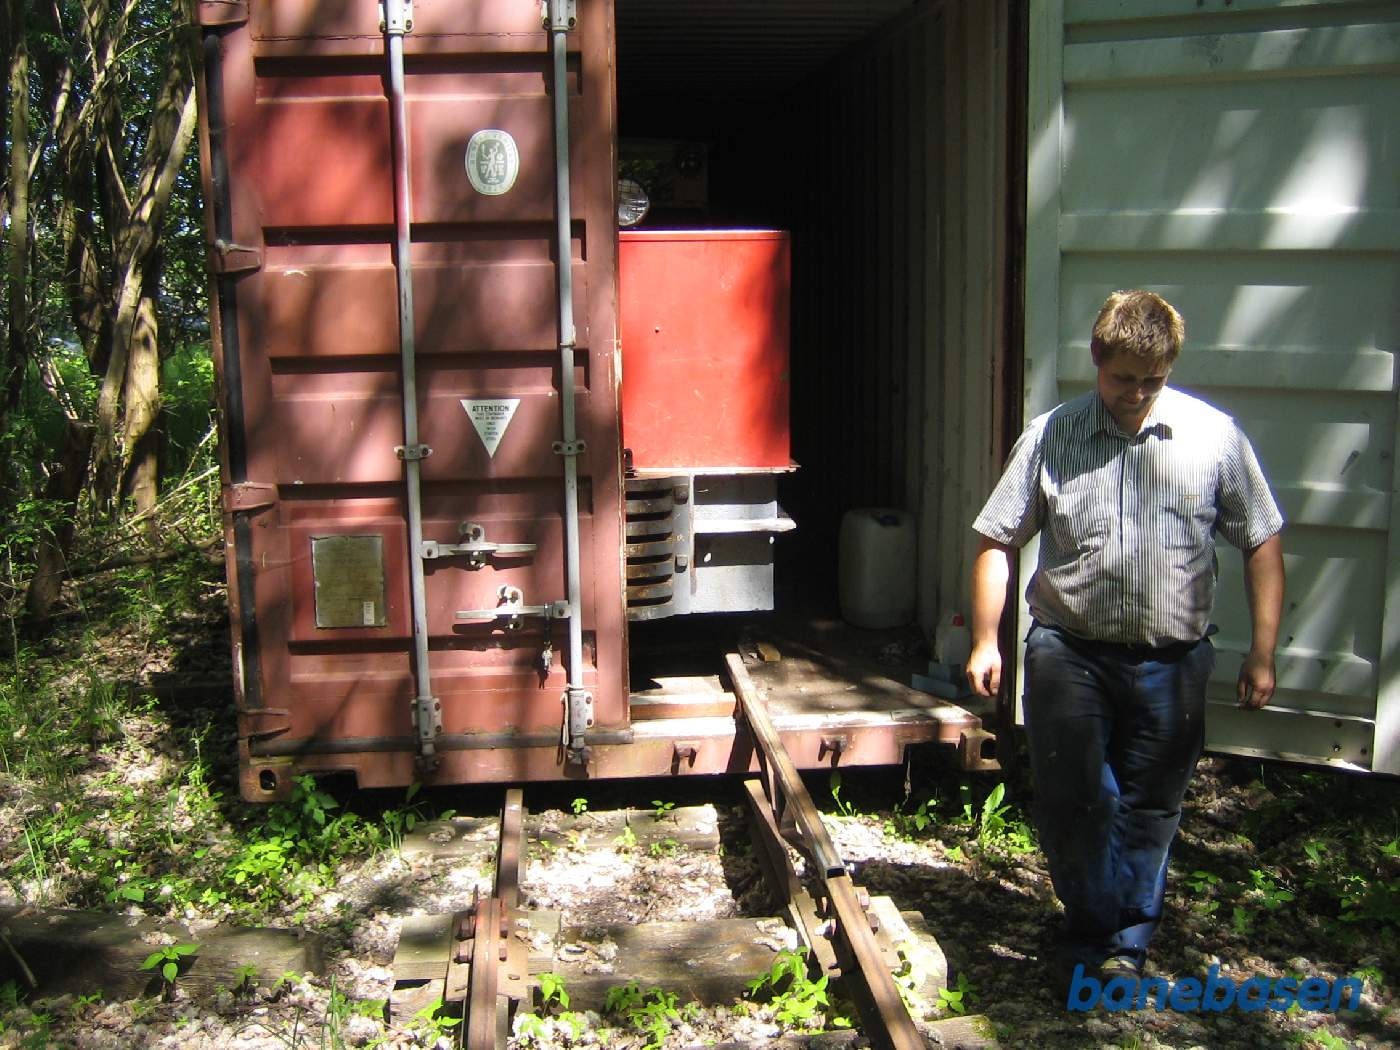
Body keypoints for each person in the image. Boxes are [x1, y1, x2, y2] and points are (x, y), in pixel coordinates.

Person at [965, 289, 1285, 999]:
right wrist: (986, 640)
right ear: (1096, 359)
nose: (1137, 394)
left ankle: (1125, 942)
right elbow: (995, 539)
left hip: (1173, 662)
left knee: (1150, 803)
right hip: (1069, 653)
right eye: (1123, 379)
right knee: (1077, 797)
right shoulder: (1052, 435)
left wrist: (1263, 651)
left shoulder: (1215, 439)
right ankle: (1090, 928)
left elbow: (1262, 540)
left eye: (1154, 380)